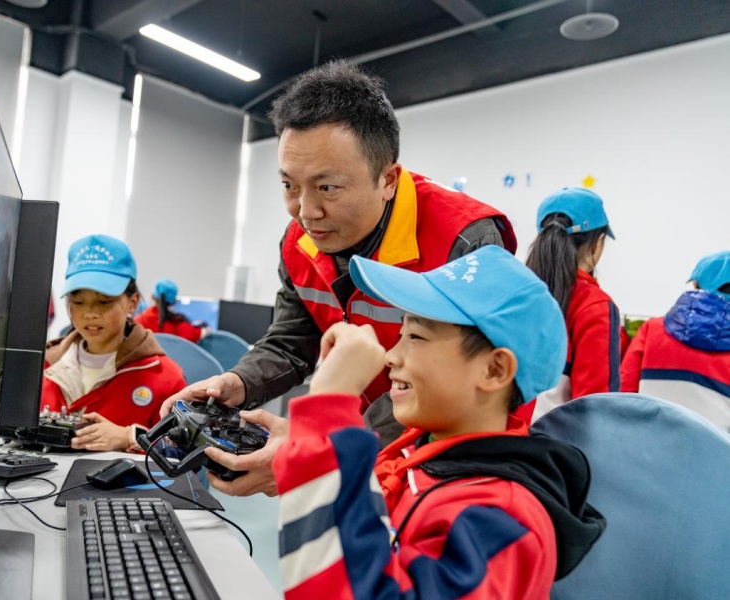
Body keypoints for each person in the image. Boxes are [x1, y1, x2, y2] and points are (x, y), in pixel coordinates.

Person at [162, 60, 517, 494]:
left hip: (457, 460)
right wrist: (237, 383)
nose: (306, 212)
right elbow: (291, 342)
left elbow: (449, 383)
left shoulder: (464, 243)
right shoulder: (299, 243)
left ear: (387, 180)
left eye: (327, 187)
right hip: (368, 438)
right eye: (290, 185)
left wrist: (321, 447)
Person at [269, 246, 604, 597]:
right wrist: (304, 447)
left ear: (494, 370)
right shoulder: (416, 455)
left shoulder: (501, 521)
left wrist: (329, 408)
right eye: (400, 334)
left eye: (416, 337)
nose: (391, 356)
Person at [40, 234, 187, 452]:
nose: (90, 313)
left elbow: (186, 454)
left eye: (104, 301)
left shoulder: (165, 378)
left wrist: (130, 437)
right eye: (78, 302)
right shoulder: (42, 367)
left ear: (132, 303)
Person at [521, 187, 621, 423]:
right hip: (554, 444)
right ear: (597, 244)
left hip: (498, 438)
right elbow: (596, 409)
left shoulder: (515, 293)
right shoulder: (595, 306)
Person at [621, 250, 730, 430]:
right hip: (715, 448)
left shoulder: (651, 330)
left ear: (695, 285)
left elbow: (622, 398)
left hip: (647, 442)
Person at [134, 278, 210, 343]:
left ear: (152, 297)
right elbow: (200, 333)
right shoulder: (178, 324)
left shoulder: (139, 321)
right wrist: (205, 329)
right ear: (174, 302)